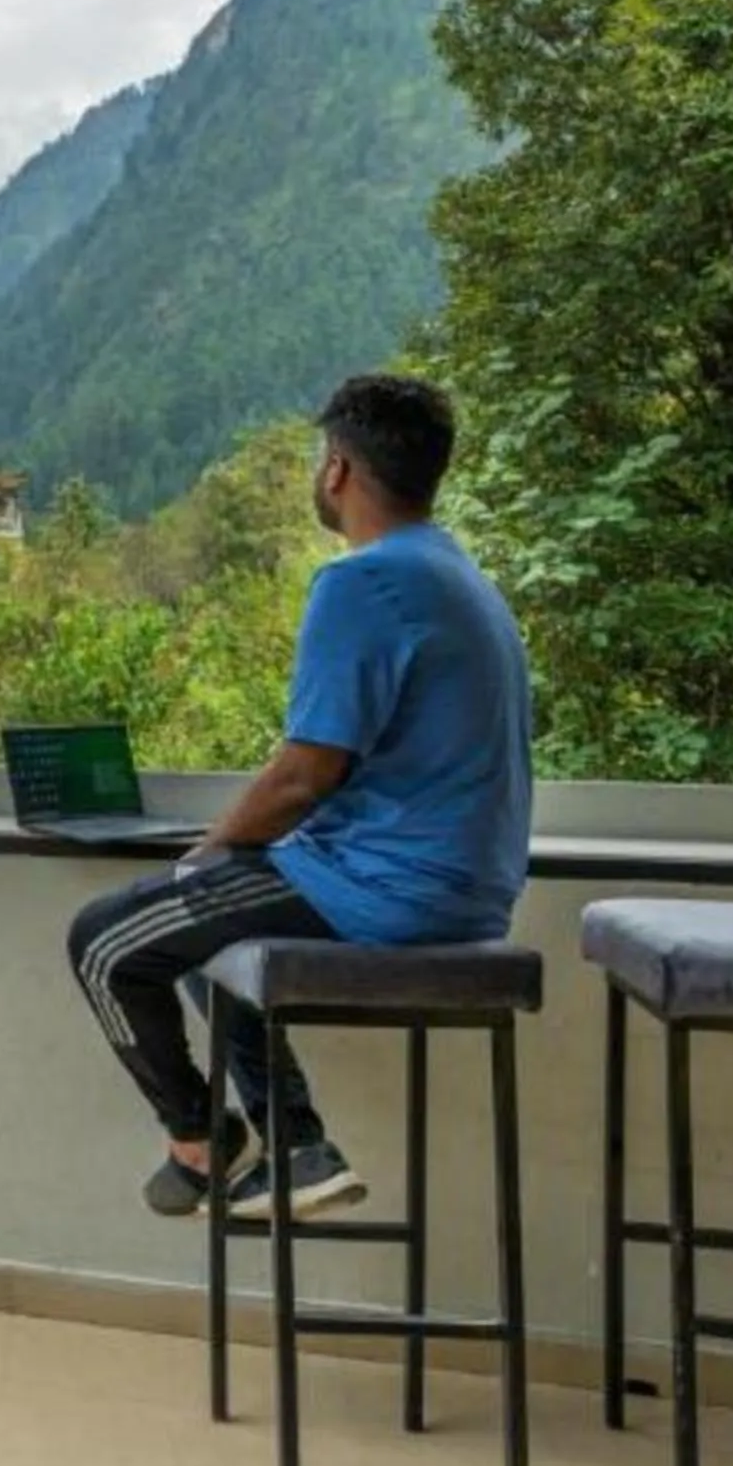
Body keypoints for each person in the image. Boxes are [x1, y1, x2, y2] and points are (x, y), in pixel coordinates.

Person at [67, 373, 533, 1222]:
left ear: (340, 472)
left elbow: (305, 773)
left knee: (105, 943)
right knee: (209, 921)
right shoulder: (455, 574)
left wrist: (208, 850)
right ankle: (296, 1144)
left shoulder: (364, 582)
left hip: (390, 892)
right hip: (467, 890)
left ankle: (203, 1145)